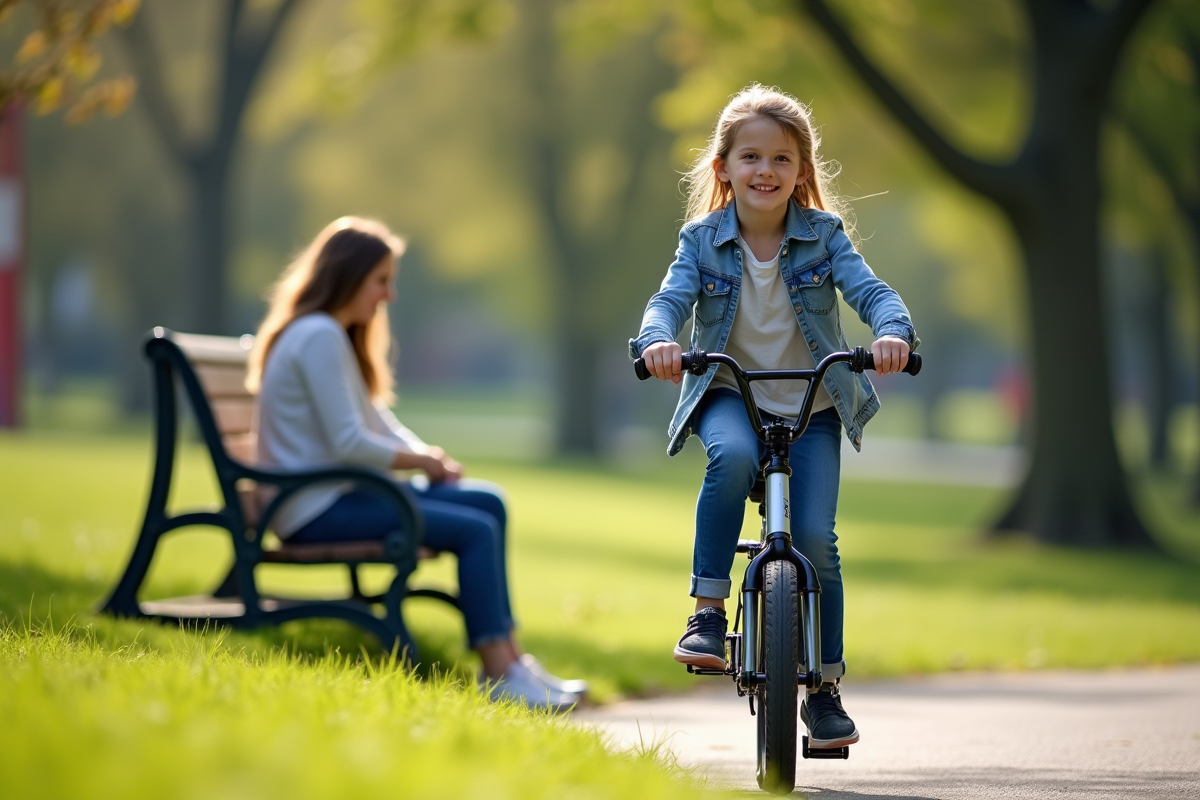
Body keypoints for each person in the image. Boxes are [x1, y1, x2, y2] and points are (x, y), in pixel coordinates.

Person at [629, 85, 918, 749]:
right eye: (751, 156)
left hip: (813, 402)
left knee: (817, 541)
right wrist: (657, 343)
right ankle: (706, 612)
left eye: (782, 159)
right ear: (722, 168)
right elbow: (666, 302)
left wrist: (893, 332)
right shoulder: (700, 241)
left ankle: (823, 689)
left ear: (802, 172)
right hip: (732, 393)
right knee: (729, 456)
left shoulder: (825, 238)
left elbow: (871, 292)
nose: (766, 170)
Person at [247, 216, 586, 710]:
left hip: (340, 495)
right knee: (476, 530)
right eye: (381, 280)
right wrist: (420, 463)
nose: (390, 295)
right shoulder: (318, 335)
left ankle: (511, 659)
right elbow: (348, 442)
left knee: (489, 502)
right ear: (347, 275)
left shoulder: (328, 334)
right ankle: (498, 674)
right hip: (314, 509)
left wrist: (430, 457)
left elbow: (376, 422)